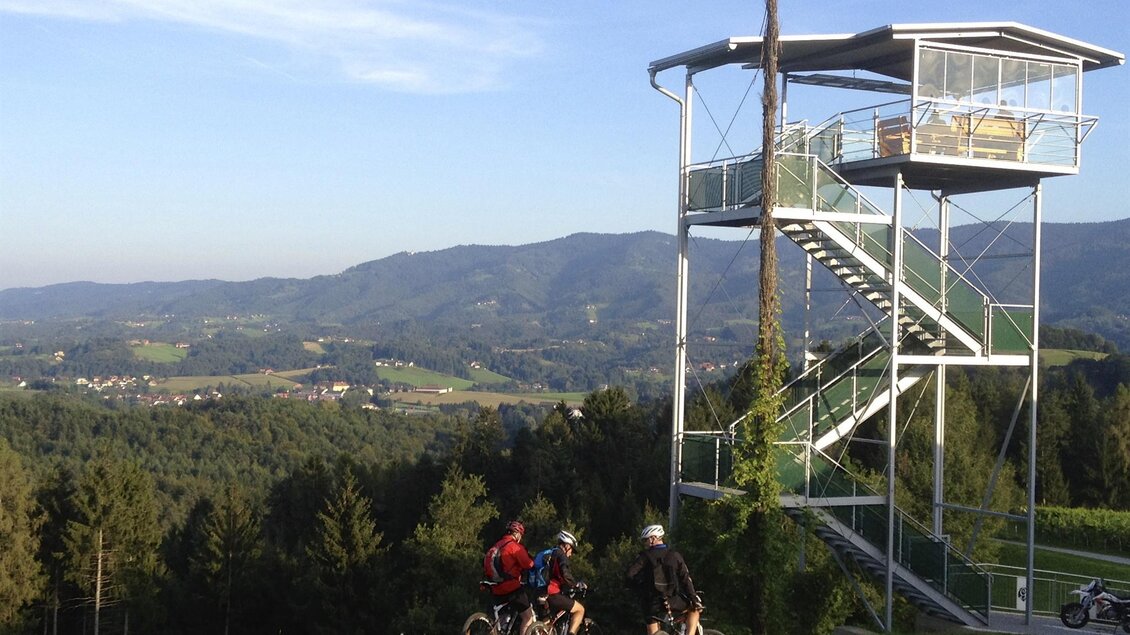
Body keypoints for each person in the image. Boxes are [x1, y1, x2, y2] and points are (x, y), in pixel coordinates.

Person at [626, 524, 702, 635]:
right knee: (694, 610)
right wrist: (693, 598)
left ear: (653, 539)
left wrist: (640, 589)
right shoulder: (674, 556)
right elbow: (685, 579)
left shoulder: (644, 557)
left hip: (651, 601)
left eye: (646, 540)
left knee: (652, 630)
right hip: (672, 600)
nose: (645, 543)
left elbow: (629, 575)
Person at [487, 520, 535, 635]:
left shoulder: (495, 546)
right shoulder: (514, 547)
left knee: (502, 619)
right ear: (517, 534)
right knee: (527, 617)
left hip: (495, 587)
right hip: (511, 587)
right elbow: (528, 564)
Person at [544, 529, 586, 635]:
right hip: (552, 593)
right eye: (571, 550)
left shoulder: (549, 552)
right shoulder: (561, 555)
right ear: (567, 546)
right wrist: (576, 584)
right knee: (580, 610)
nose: (571, 554)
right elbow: (565, 574)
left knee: (547, 623)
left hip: (539, 591)